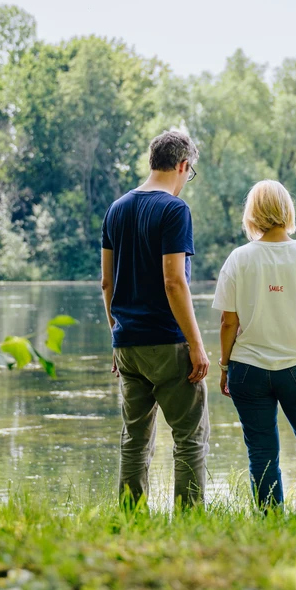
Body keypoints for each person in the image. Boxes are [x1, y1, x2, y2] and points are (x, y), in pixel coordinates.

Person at [212, 180, 296, 509]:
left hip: (247, 370)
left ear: (252, 214)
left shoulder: (238, 259)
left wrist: (225, 367)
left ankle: (270, 523)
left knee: (262, 454)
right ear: (288, 211)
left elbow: (228, 323)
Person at [100, 130, 211, 509]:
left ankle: (130, 516)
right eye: (189, 172)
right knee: (190, 438)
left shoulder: (116, 209)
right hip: (168, 341)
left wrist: (116, 336)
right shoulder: (174, 210)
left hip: (128, 344)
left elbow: (106, 282)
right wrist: (196, 345)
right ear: (183, 166)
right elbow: (174, 281)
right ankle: (189, 520)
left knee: (134, 439)